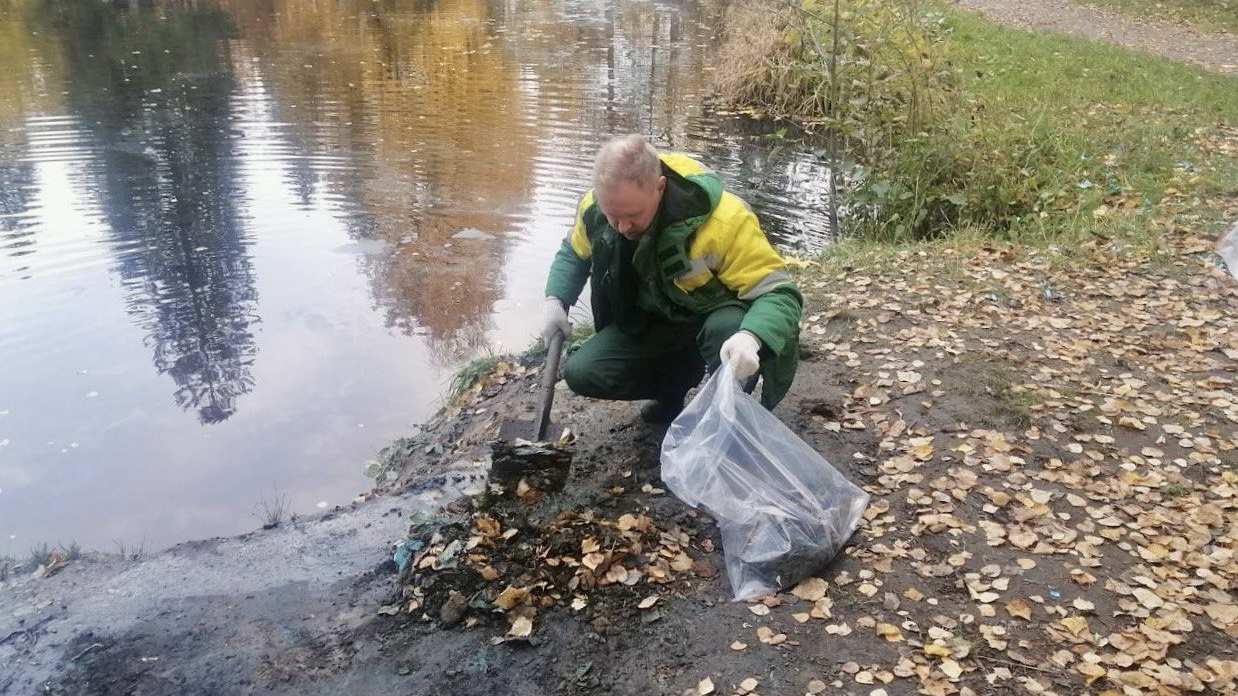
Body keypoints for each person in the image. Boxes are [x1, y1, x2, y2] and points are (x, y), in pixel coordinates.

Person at [539, 134, 802, 424]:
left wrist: (751, 337)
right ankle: (671, 391)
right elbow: (575, 252)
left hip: (716, 325)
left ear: (660, 187)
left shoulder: (724, 220)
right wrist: (556, 299)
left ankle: (730, 414)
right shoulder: (596, 207)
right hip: (658, 323)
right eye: (613, 216)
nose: (623, 227)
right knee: (583, 371)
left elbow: (780, 293)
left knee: (727, 328)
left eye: (632, 215)